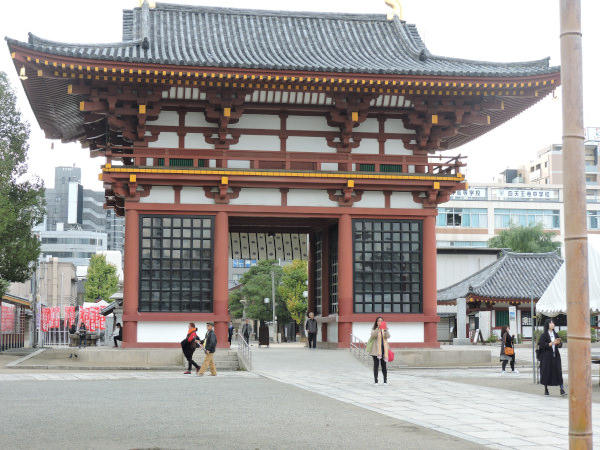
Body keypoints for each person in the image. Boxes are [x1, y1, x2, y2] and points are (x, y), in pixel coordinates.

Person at [538, 318, 567, 396]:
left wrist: (559, 343)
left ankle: (562, 389)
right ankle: (546, 389)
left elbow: (559, 345)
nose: (553, 324)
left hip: (556, 356)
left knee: (558, 371)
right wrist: (552, 343)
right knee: (547, 372)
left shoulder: (555, 334)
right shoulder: (544, 335)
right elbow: (542, 345)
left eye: (553, 323)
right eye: (551, 323)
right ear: (547, 325)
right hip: (547, 357)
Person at [369, 316, 390, 385]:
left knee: (384, 365)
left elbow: (388, 336)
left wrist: (385, 330)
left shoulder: (385, 329)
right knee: (376, 365)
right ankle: (376, 381)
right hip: (375, 350)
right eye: (378, 321)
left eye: (381, 321)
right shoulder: (373, 329)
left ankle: (385, 381)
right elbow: (373, 336)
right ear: (376, 322)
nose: (380, 322)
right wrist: (377, 329)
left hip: (384, 350)